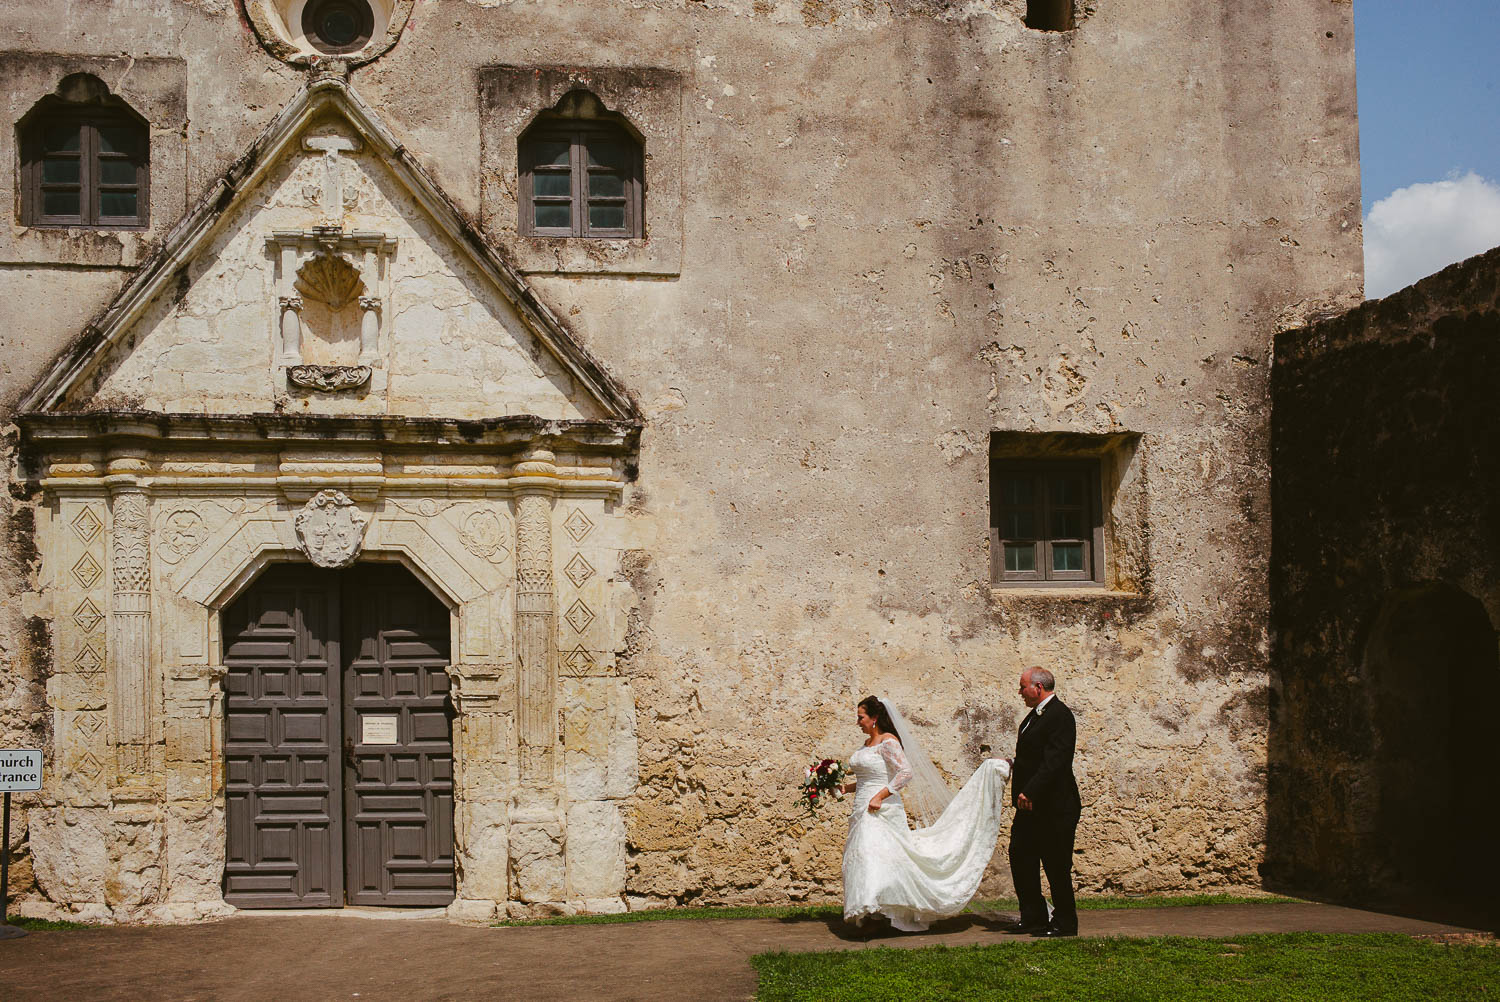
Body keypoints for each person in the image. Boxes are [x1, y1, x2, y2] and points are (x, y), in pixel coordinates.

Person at [840, 695, 1012, 932]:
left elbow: (904, 773)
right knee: (863, 855)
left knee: (875, 856)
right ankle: (874, 911)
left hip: (882, 809)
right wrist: (846, 788)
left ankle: (876, 911)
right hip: (862, 807)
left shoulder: (888, 741)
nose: (857, 722)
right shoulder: (868, 744)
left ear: (875, 718)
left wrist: (880, 796)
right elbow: (870, 778)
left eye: (861, 717)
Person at [1005, 667, 1082, 937]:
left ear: (1038, 688)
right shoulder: (1033, 717)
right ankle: (1033, 916)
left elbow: (1056, 760)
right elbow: (1033, 757)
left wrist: (1032, 791)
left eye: (1022, 686)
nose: (1020, 692)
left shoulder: (1060, 716)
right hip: (1029, 807)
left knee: (1056, 865)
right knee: (1020, 856)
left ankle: (1065, 922)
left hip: (1054, 807)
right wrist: (1011, 764)